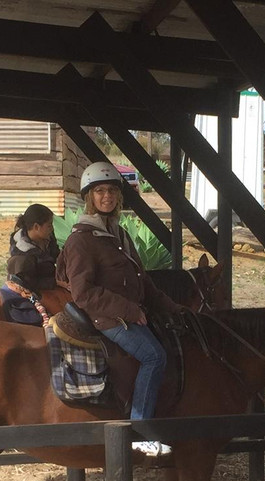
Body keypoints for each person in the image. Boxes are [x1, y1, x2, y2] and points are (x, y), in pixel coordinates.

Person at [56, 161, 182, 458]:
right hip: (107, 318)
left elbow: (144, 280)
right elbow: (84, 293)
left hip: (124, 314)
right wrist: (128, 310)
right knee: (154, 356)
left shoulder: (119, 235)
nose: (107, 196)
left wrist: (172, 307)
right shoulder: (81, 240)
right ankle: (139, 432)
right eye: (99, 191)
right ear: (89, 197)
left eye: (112, 190)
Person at [8, 203, 59, 291]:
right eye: (49, 225)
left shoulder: (47, 237)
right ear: (36, 227)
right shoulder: (22, 254)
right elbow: (27, 284)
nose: (51, 228)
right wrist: (56, 282)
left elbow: (56, 255)